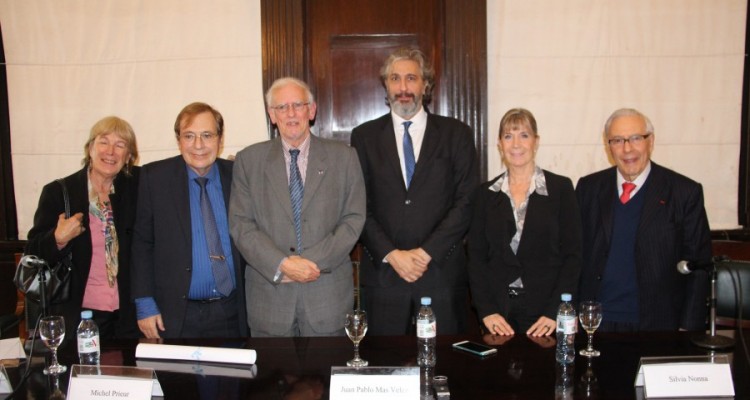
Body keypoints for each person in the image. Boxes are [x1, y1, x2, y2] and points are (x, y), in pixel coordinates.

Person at [350, 48, 479, 335]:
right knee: (384, 371)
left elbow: (467, 200)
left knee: (445, 371)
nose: (403, 87)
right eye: (395, 78)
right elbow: (357, 205)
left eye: (411, 78)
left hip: (440, 275)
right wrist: (392, 254)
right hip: (384, 278)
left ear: (425, 85)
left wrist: (426, 252)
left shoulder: (456, 134)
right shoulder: (364, 137)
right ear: (386, 85)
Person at [229, 77, 365, 337]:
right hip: (269, 302)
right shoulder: (248, 161)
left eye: (298, 105)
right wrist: (282, 264)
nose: (290, 114)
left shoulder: (344, 157)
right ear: (271, 114)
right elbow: (241, 225)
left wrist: (309, 263)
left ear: (311, 110)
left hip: (328, 300)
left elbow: (353, 219)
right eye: (281, 107)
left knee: (328, 376)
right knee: (272, 378)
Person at [576, 108, 711, 332]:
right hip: (596, 322)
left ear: (651, 141)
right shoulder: (588, 189)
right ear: (608, 146)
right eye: (618, 140)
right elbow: (575, 255)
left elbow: (699, 266)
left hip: (658, 325)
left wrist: (688, 328)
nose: (627, 148)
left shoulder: (684, 193)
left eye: (636, 138)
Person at [131, 102, 247, 338]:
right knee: (178, 376)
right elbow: (142, 243)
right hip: (175, 314)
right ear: (178, 140)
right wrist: (144, 304)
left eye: (207, 135)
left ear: (220, 139)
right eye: (189, 136)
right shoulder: (155, 178)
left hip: (233, 311)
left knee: (235, 375)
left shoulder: (238, 176)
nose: (198, 145)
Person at [467, 108, 582, 337]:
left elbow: (573, 256)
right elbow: (476, 258)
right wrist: (487, 310)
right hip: (498, 316)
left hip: (545, 315)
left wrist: (556, 310)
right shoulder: (485, 194)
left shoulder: (561, 189)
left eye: (524, 135)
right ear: (500, 144)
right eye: (508, 136)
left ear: (536, 142)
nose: (516, 144)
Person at [26, 116, 140, 339]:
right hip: (79, 315)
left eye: (120, 145)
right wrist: (58, 238)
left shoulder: (137, 189)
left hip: (128, 316)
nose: (111, 151)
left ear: (128, 157)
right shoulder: (60, 192)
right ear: (90, 149)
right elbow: (33, 251)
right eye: (103, 142)